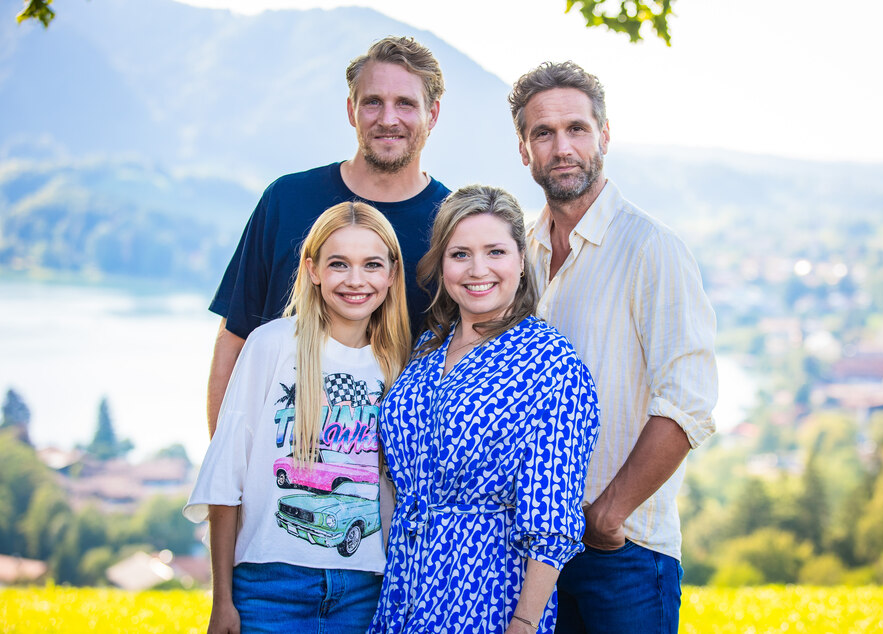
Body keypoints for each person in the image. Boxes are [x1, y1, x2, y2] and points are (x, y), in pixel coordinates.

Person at [508, 62, 718, 633]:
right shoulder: (516, 252)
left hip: (622, 552)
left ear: (605, 134)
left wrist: (609, 512)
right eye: (543, 134)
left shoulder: (652, 249)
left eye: (577, 128)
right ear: (524, 150)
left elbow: (689, 401)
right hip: (526, 556)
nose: (562, 147)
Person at [368, 185, 600, 634]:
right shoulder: (427, 348)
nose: (478, 270)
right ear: (442, 263)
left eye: (495, 251)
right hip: (403, 592)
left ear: (520, 258)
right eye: (460, 254)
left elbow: (553, 524)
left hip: (486, 598)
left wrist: (524, 623)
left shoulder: (551, 364)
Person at [184, 202, 412, 633]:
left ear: (392, 274)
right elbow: (225, 476)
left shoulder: (398, 365)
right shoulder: (270, 346)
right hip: (269, 587)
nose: (356, 280)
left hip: (366, 590)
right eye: (339, 264)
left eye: (372, 265)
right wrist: (222, 601)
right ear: (313, 269)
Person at [206, 35, 451, 438]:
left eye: (405, 103)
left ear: (433, 114)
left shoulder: (452, 226)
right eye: (373, 101)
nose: (388, 118)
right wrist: (223, 476)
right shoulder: (287, 199)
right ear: (352, 111)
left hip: (390, 481)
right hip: (275, 459)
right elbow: (235, 339)